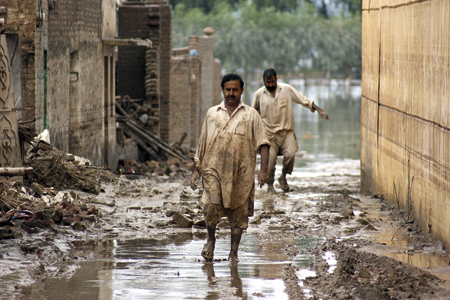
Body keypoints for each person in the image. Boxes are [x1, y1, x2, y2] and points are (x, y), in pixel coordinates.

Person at [190, 73, 270, 262]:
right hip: (213, 170)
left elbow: (264, 143)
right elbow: (201, 144)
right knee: (210, 205)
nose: (231, 93)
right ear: (223, 90)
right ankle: (210, 240)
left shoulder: (251, 115)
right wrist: (195, 170)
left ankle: (234, 252)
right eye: (228, 90)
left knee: (239, 212)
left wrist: (263, 170)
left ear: (242, 91)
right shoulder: (212, 113)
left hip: (241, 172)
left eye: (235, 90)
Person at [252, 68, 329, 193]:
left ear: (276, 79)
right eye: (268, 82)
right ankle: (270, 185)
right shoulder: (259, 94)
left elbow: (303, 99)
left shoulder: (286, 89)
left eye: (272, 82)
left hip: (286, 131)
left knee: (291, 155)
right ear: (263, 81)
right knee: (270, 161)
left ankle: (283, 177)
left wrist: (319, 110)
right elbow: (253, 113)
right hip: (269, 134)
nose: (270, 85)